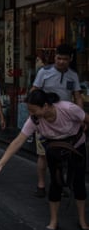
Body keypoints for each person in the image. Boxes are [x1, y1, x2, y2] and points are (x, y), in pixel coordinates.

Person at [0, 89, 89, 230]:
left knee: (79, 182)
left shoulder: (68, 108)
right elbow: (18, 141)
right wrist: (1, 163)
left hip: (76, 147)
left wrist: (84, 124)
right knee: (55, 183)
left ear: (45, 105)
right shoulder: (35, 120)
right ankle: (53, 221)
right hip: (54, 149)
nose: (31, 114)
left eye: (33, 110)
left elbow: (87, 118)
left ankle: (82, 221)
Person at [31, 44, 83, 198]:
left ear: (70, 59)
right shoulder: (44, 72)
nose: (61, 62)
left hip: (65, 120)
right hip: (45, 118)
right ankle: (41, 185)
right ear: (55, 57)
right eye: (58, 58)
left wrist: (80, 117)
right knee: (42, 154)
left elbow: (78, 96)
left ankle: (60, 183)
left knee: (64, 155)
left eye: (65, 59)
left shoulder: (73, 75)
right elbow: (34, 92)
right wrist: (34, 112)